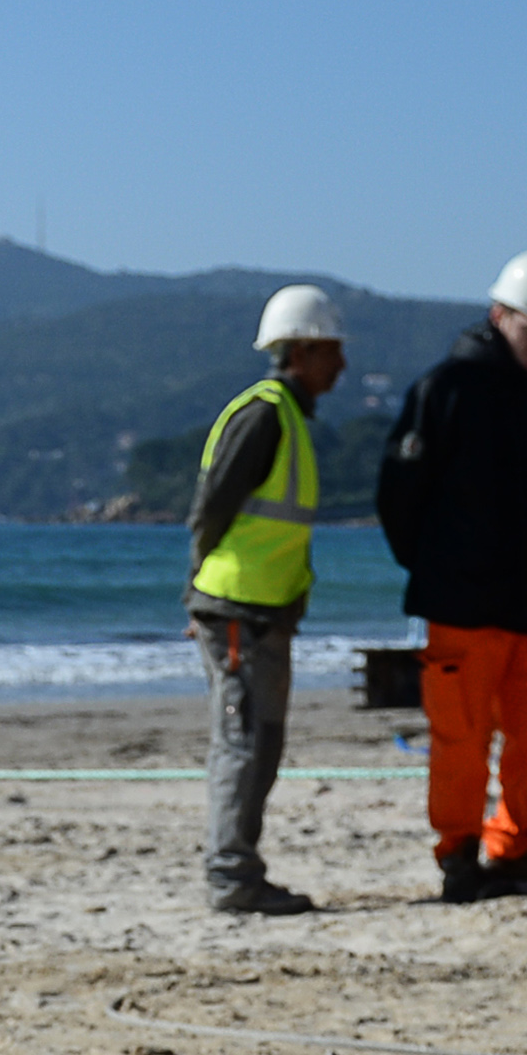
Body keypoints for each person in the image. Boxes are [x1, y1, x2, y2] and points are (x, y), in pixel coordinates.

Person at [376, 252, 527, 899]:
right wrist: (437, 565)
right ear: (498, 315)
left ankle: (515, 845)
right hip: (461, 602)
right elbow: (398, 494)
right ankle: (459, 855)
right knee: (460, 740)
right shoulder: (443, 389)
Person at [187, 286, 343, 918]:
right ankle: (231, 876)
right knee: (244, 743)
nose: (341, 364)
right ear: (300, 352)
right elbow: (211, 509)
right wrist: (199, 589)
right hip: (239, 610)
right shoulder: (264, 416)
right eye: (331, 350)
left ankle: (241, 869)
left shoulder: (289, 418)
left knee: (261, 744)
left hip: (263, 612)